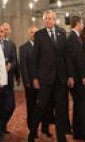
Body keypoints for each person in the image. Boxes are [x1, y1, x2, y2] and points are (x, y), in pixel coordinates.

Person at [28, 10, 71, 142]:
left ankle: (61, 137)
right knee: (40, 107)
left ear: (55, 20)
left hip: (60, 79)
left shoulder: (62, 34)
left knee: (61, 109)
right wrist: (34, 78)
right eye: (46, 18)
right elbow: (34, 58)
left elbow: (66, 57)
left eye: (51, 18)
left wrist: (70, 76)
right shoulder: (39, 35)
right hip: (45, 79)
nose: (48, 20)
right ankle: (32, 134)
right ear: (44, 20)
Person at [20, 25, 52, 137]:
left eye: (36, 32)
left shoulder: (43, 47)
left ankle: (45, 128)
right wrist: (27, 82)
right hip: (31, 84)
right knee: (32, 107)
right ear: (29, 34)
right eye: (32, 32)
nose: (34, 34)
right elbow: (23, 67)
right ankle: (32, 130)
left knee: (45, 106)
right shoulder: (24, 48)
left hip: (43, 83)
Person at [0, 23, 17, 142]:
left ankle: (1, 126)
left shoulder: (10, 44)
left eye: (1, 32)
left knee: (10, 106)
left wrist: (10, 66)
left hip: (8, 81)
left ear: (4, 33)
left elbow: (14, 61)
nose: (0, 34)